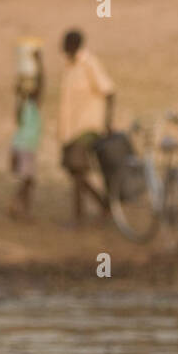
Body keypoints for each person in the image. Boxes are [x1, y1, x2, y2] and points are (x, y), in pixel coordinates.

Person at [58, 29, 115, 224]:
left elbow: (109, 92)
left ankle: (78, 217)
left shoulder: (90, 64)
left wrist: (107, 123)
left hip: (88, 127)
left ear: (73, 45)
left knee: (77, 169)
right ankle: (104, 205)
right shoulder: (69, 66)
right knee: (75, 172)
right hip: (70, 129)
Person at [8, 50, 44, 221]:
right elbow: (42, 85)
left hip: (19, 145)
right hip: (26, 147)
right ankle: (20, 208)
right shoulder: (31, 105)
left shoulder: (21, 105)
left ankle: (20, 208)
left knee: (28, 181)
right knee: (29, 181)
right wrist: (40, 63)